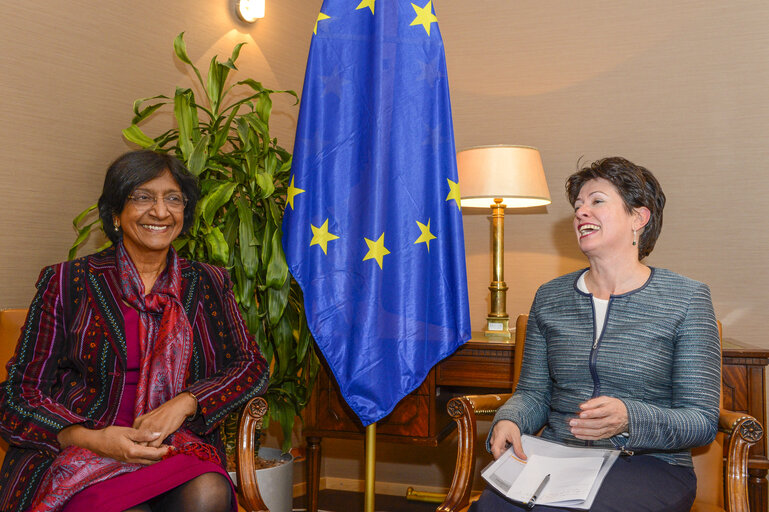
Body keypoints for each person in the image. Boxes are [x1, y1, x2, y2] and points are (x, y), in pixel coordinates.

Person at [0, 150, 268, 512]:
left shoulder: (207, 281)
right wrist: (91, 438)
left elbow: (251, 365)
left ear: (184, 213)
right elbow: (18, 393)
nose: (160, 211)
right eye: (142, 197)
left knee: (209, 492)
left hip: (176, 446)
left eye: (173, 198)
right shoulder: (67, 282)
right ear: (115, 213)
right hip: (83, 451)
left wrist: (186, 402)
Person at [471, 157, 721, 512]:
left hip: (648, 464)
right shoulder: (550, 296)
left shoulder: (686, 298)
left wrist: (629, 417)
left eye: (597, 201)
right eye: (578, 206)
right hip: (559, 457)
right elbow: (533, 393)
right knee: (494, 507)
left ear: (639, 218)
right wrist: (511, 418)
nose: (581, 213)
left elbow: (701, 420)